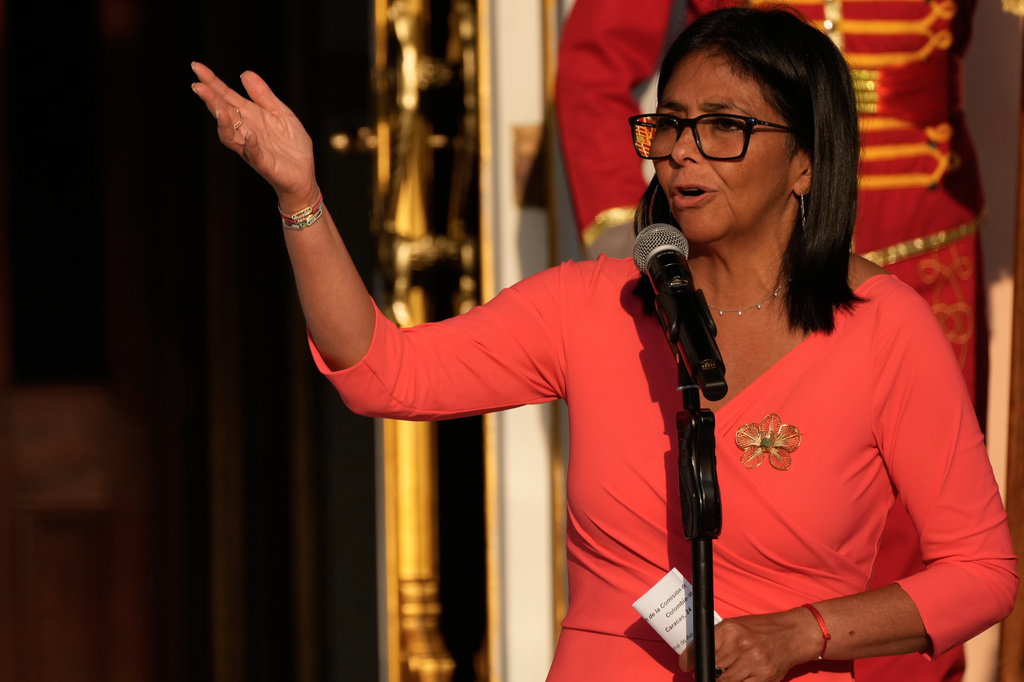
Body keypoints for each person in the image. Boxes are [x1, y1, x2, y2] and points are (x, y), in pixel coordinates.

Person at [190, 6, 1018, 680]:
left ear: (804, 162)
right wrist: (300, 195)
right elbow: (384, 373)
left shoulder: (883, 325)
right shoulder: (594, 307)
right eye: (670, 124)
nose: (682, 152)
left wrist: (802, 634)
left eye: (723, 127)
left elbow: (981, 575)